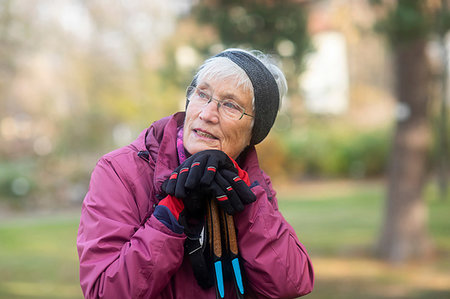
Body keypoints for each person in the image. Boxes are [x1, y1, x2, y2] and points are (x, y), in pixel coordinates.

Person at [77, 48, 314, 298]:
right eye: (202, 94)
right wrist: (170, 211)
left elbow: (291, 283)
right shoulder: (120, 171)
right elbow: (105, 292)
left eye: (231, 105)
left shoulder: (252, 182)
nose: (207, 114)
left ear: (254, 132)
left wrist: (244, 201)